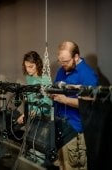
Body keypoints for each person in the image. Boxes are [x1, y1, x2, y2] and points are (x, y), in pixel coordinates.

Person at [52, 41, 99, 170]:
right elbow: (56, 90)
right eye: (60, 61)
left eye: (66, 62)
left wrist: (65, 100)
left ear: (76, 57)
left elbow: (89, 104)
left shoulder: (88, 75)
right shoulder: (63, 69)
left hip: (75, 132)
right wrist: (52, 94)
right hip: (61, 128)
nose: (63, 65)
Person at [17, 50, 52, 124]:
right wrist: (26, 113)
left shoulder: (45, 79)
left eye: (31, 66)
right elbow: (31, 98)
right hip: (32, 114)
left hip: (44, 116)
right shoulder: (28, 77)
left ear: (37, 64)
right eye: (26, 66)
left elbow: (48, 102)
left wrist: (30, 114)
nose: (28, 69)